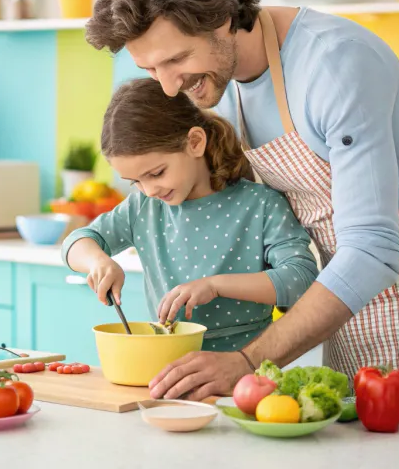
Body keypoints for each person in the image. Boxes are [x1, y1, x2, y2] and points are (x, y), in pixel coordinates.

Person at [84, 0, 399, 406]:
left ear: (223, 18)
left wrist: (248, 360)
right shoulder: (218, 85)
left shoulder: (335, 65)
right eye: (151, 69)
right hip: (338, 298)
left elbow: (374, 250)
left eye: (176, 60)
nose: (170, 88)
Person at [61, 77, 318, 353]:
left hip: (249, 369)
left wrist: (215, 286)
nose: (148, 190)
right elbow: (77, 241)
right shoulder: (143, 208)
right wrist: (98, 261)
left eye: (156, 173)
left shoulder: (260, 204)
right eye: (135, 181)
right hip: (171, 364)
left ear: (195, 142)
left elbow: (301, 278)